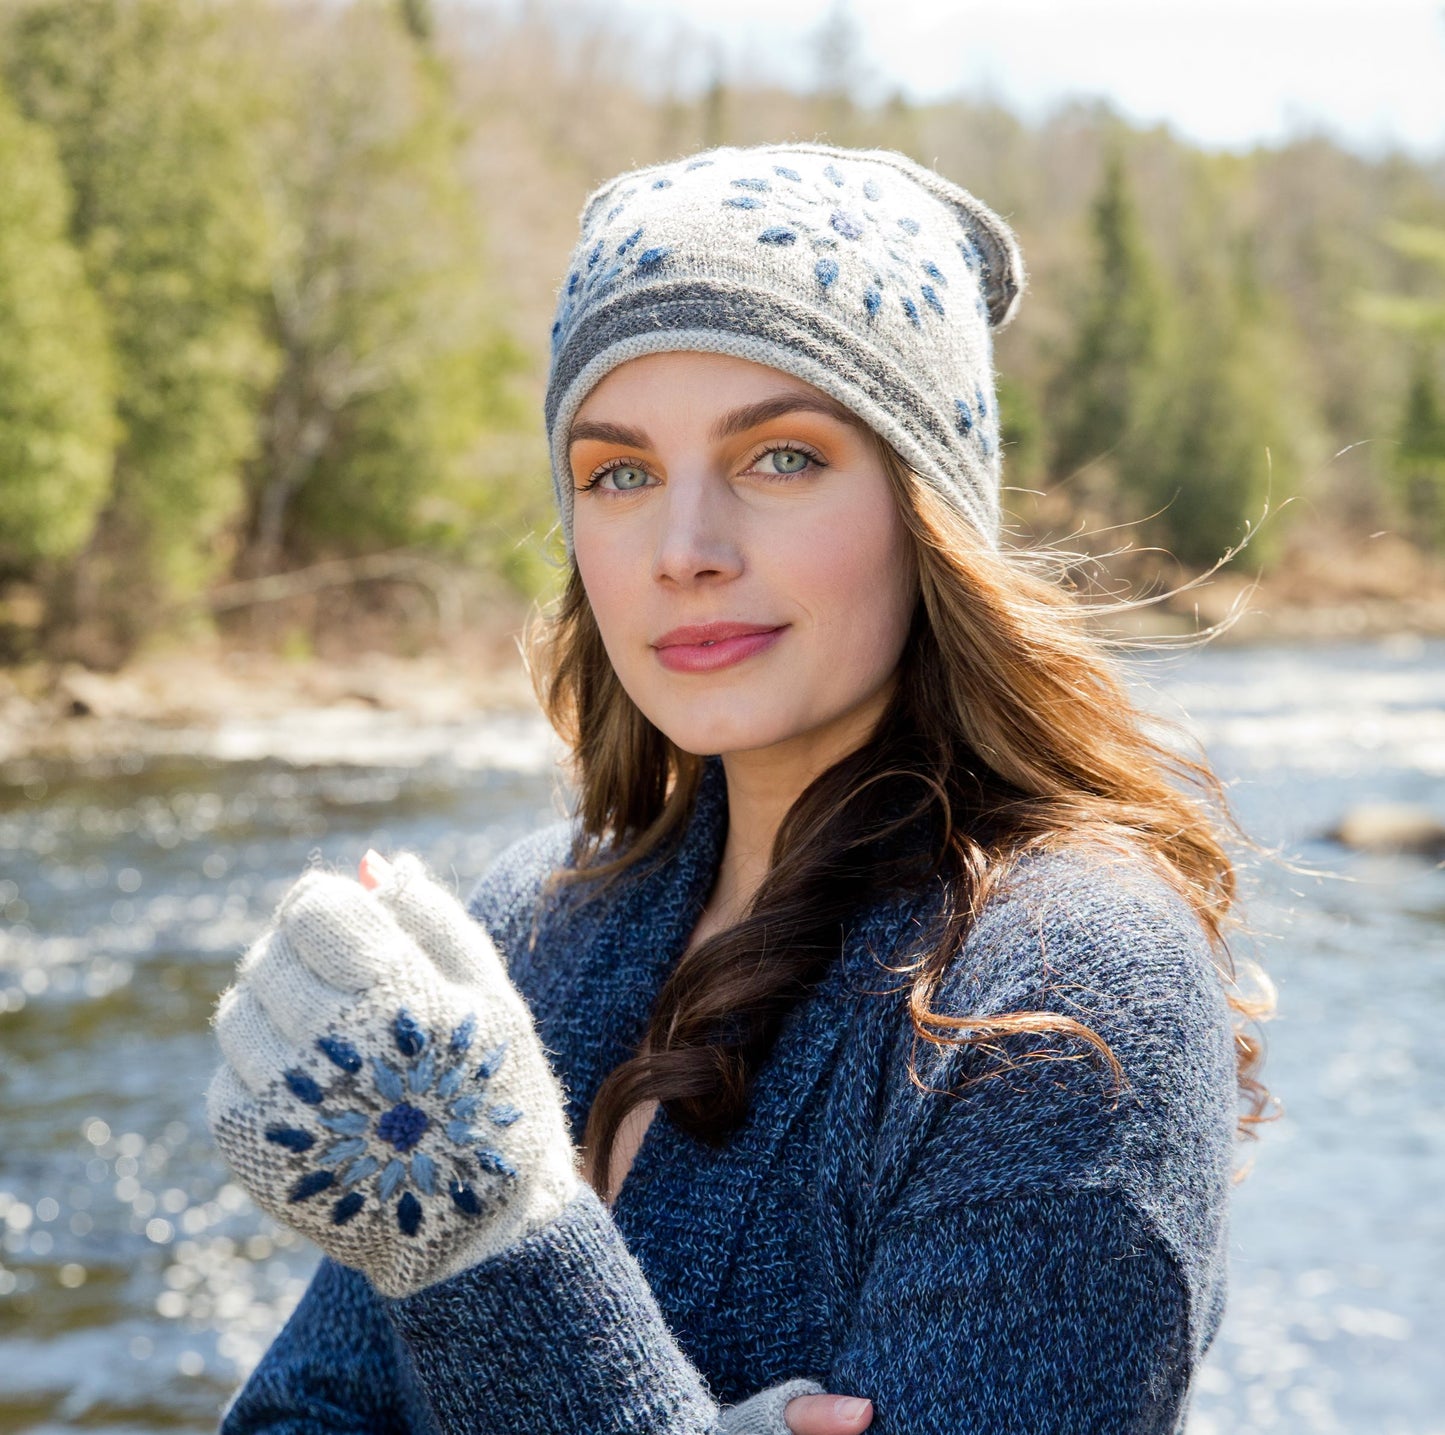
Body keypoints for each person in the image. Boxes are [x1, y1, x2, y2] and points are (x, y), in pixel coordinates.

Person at [205, 141, 1273, 1434]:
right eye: (618, 473)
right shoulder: (536, 919)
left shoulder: (1064, 995)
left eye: (780, 458)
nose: (683, 550)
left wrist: (489, 1244)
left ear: (922, 505)